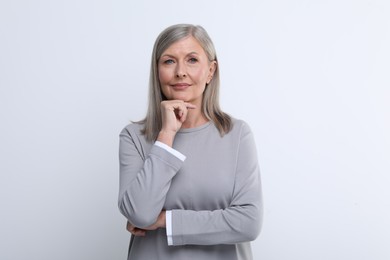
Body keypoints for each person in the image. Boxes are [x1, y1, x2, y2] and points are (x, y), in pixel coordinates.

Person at [118, 24, 263, 260]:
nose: (180, 72)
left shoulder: (237, 134)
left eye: (192, 60)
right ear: (157, 71)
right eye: (169, 61)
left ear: (210, 71)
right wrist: (166, 135)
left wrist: (166, 220)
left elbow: (248, 223)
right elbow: (141, 215)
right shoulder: (134, 136)